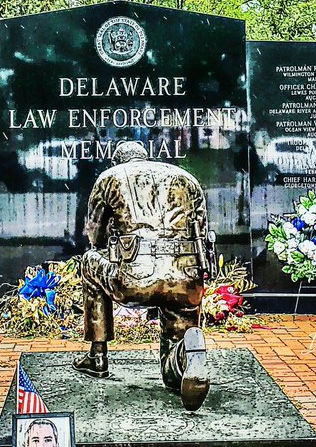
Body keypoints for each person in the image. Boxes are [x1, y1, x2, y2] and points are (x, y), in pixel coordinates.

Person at [72, 141, 215, 411]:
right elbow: (202, 233)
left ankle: (97, 356)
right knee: (172, 368)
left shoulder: (110, 177)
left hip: (135, 278)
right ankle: (185, 354)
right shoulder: (187, 179)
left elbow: (95, 237)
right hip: (185, 278)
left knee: (90, 262)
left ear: (119, 161)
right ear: (144, 157)